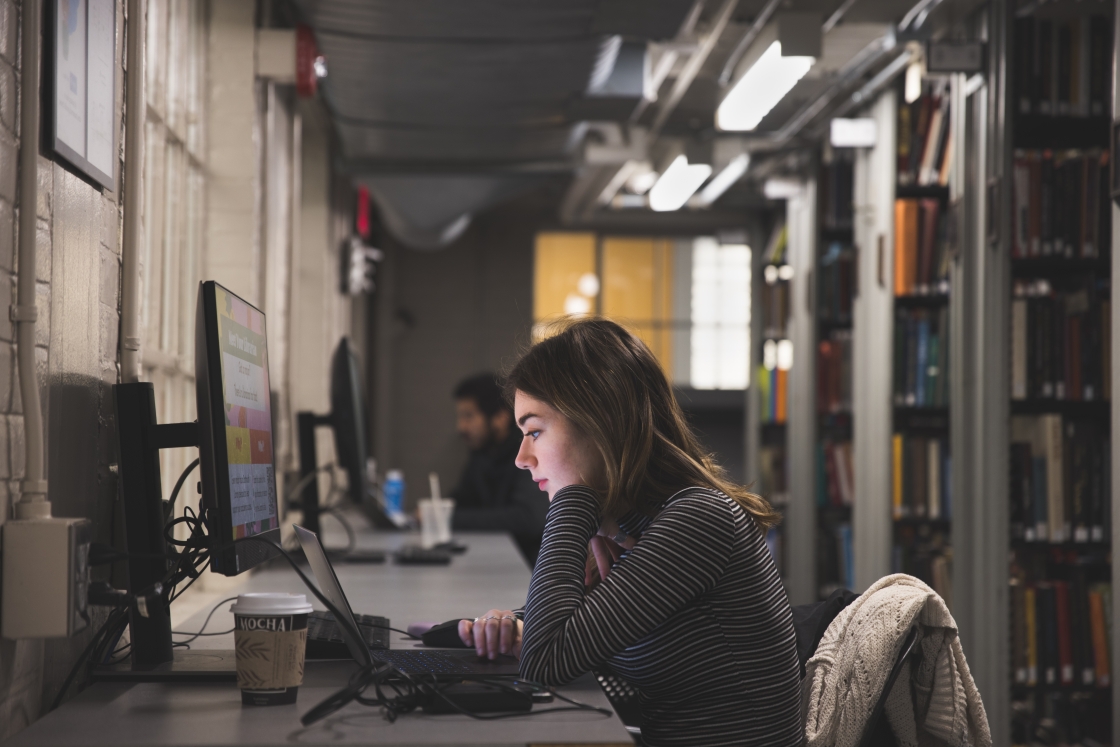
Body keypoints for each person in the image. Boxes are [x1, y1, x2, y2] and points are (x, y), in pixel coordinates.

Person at [458, 319, 802, 747]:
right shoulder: (633, 525)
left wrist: (573, 496)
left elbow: (545, 661)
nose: (522, 458)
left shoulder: (700, 519)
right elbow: (572, 635)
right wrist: (511, 622)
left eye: (534, 432)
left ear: (598, 423)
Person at [449, 373, 549, 565]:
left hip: (525, 569)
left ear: (501, 418)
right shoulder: (482, 454)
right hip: (494, 560)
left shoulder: (525, 454)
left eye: (468, 416)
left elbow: (528, 519)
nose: (461, 427)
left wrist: (449, 519)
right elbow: (463, 498)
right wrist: (436, 513)